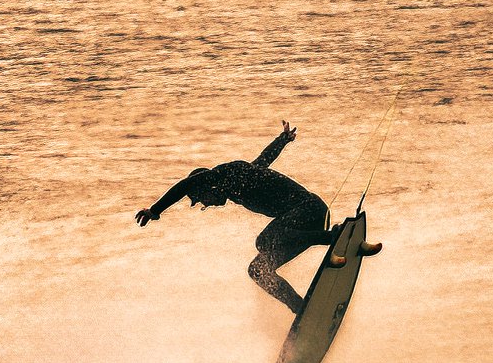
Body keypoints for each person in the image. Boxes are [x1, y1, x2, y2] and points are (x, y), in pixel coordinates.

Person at [135, 121, 379, 315]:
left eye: (201, 200)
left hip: (309, 209)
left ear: (205, 185)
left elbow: (185, 184)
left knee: (264, 241)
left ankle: (333, 237)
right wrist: (282, 140)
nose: (206, 205)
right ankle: (302, 310)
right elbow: (265, 158)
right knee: (258, 270)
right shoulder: (242, 178)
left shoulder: (228, 173)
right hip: (301, 223)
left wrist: (155, 210)